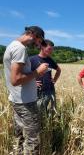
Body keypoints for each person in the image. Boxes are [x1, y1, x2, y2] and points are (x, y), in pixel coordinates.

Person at [3, 26, 48, 154]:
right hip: (26, 102)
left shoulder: (12, 45)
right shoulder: (20, 49)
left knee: (20, 137)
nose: (39, 45)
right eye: (39, 41)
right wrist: (37, 72)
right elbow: (16, 80)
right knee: (33, 140)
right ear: (33, 34)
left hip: (17, 100)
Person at [30, 39, 61, 116]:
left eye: (52, 49)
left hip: (50, 89)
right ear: (42, 47)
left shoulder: (49, 60)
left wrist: (54, 80)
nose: (51, 51)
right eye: (49, 49)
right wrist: (32, 82)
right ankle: (41, 125)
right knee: (39, 111)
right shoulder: (32, 59)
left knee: (52, 109)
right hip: (39, 91)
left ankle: (48, 124)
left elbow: (58, 70)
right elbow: (24, 75)